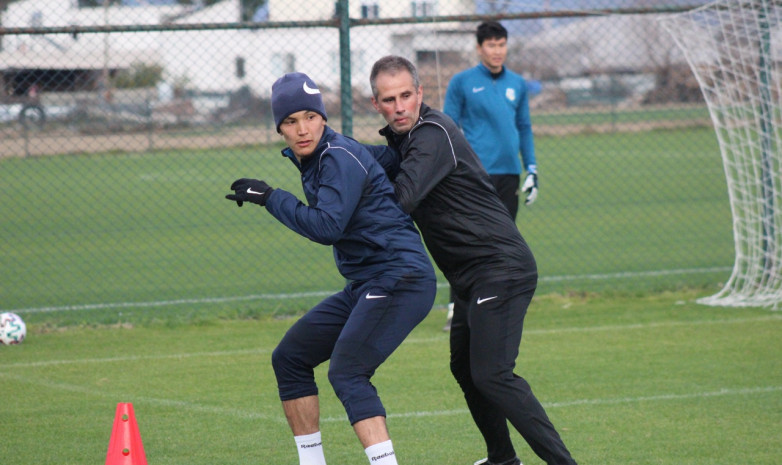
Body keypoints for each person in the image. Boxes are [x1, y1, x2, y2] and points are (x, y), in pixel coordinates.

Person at [369, 56, 577, 465]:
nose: (399, 106)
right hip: (469, 278)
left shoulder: (433, 133)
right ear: (376, 104)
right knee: (466, 370)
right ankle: (502, 459)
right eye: (389, 99)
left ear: (420, 94)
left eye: (406, 95)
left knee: (493, 375)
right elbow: (378, 163)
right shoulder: (405, 141)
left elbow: (401, 201)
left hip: (500, 268)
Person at [225, 72, 437, 465]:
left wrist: (271, 198)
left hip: (400, 278)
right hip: (368, 282)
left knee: (347, 372)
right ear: (280, 129)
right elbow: (385, 158)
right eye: (290, 121)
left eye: (310, 116)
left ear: (323, 118)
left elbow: (327, 227)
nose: (302, 128)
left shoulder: (336, 156)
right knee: (289, 357)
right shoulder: (331, 154)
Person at [441, 20, 538, 331]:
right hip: (475, 177)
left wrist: (532, 168)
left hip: (509, 174)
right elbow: (448, 128)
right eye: (491, 45)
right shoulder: (462, 82)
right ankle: (457, 306)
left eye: (502, 44)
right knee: (468, 242)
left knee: (504, 244)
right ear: (479, 48)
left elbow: (524, 127)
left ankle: (499, 305)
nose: (497, 51)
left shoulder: (518, 84)